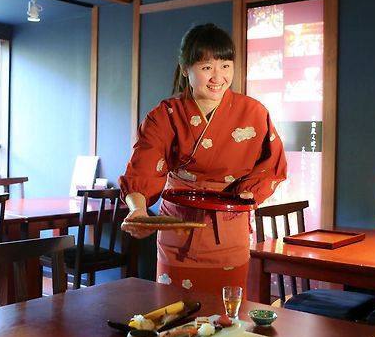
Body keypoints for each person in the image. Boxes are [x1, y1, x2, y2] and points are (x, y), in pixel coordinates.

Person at [119, 23, 286, 296]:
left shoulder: (253, 112)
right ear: (185, 69)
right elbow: (143, 167)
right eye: (207, 67)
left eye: (225, 65)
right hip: (178, 231)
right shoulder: (164, 115)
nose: (217, 77)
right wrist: (137, 210)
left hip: (229, 231)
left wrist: (248, 194)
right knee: (174, 317)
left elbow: (271, 165)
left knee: (227, 320)